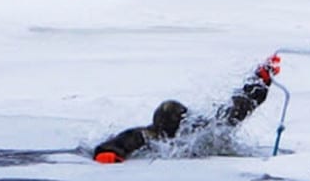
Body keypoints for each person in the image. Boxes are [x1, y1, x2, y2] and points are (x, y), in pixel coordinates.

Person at [93, 54, 282, 163]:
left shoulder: (198, 129)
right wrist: (108, 152)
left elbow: (237, 109)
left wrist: (260, 81)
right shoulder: (150, 136)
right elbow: (125, 140)